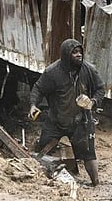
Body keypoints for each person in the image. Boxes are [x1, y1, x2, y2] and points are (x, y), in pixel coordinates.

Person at [29, 38, 105, 186]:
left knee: (88, 155)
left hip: (81, 121)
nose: (78, 55)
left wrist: (93, 102)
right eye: (74, 52)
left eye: (80, 52)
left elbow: (100, 89)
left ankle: (96, 184)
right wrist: (33, 105)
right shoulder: (52, 72)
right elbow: (38, 88)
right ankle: (43, 181)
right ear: (65, 55)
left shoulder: (89, 70)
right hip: (56, 120)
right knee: (44, 149)